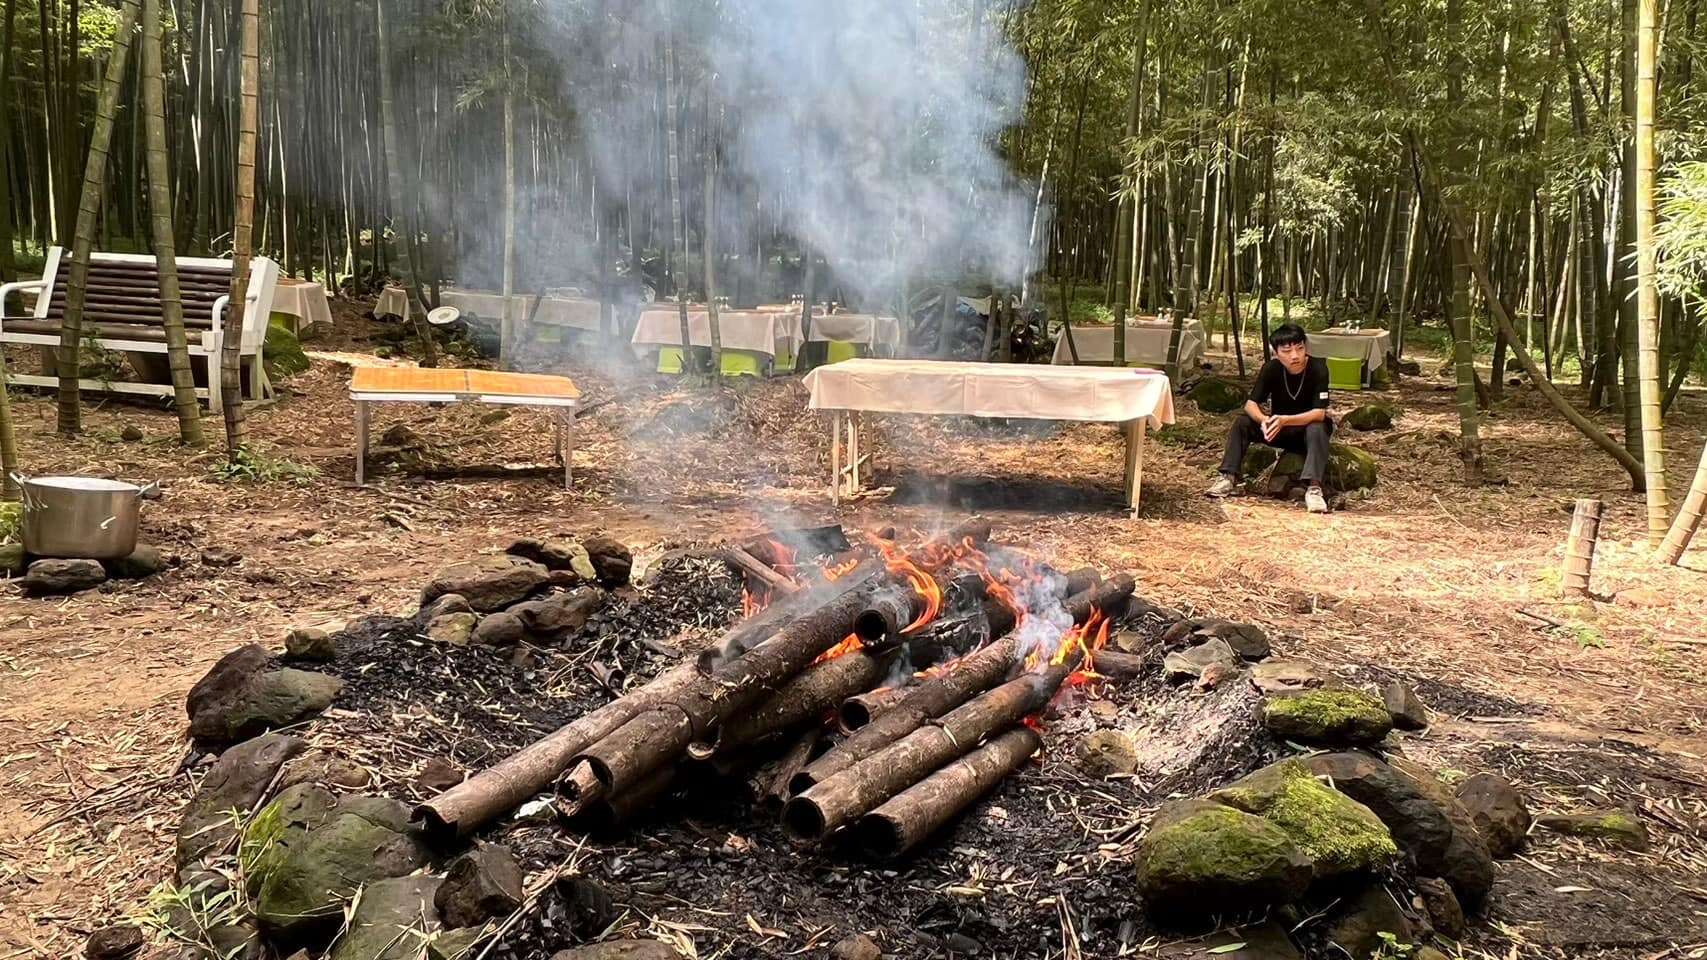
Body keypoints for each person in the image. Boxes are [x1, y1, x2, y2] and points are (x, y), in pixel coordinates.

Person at [1207, 323, 1333, 513]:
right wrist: (1264, 420)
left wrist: (1284, 420)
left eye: (1300, 348)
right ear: (1276, 353)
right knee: (1242, 422)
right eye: (1287, 350)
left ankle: (1314, 489)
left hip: (1306, 431)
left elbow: (1319, 413)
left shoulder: (1318, 368)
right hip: (1278, 429)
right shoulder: (1271, 368)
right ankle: (1228, 477)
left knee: (1317, 426)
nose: (1295, 356)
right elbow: (1250, 404)